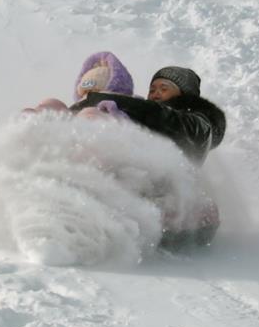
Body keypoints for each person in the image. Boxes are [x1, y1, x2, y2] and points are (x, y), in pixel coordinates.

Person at [72, 66, 226, 248]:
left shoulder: (200, 123)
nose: (155, 94)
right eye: (152, 89)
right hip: (131, 193)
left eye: (164, 88)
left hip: (169, 206)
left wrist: (104, 100)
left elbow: (171, 121)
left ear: (185, 94)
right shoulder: (145, 117)